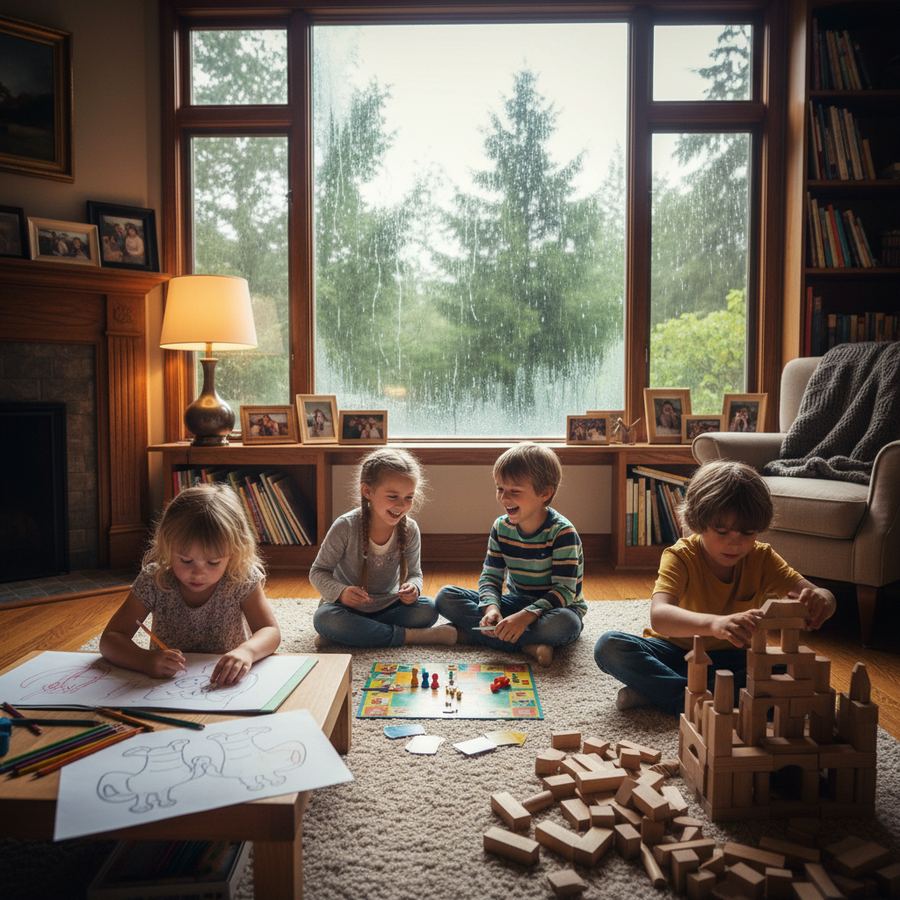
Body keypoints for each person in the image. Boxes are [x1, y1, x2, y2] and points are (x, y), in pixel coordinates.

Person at [594, 460, 836, 715]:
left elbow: (822, 595)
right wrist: (714, 625)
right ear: (699, 523)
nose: (736, 544)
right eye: (722, 532)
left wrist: (822, 601)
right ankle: (700, 700)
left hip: (732, 660)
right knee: (610, 646)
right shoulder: (680, 556)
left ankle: (662, 693)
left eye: (747, 533)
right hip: (676, 653)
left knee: (798, 671)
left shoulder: (762, 557)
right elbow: (660, 617)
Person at [99, 484, 281, 686]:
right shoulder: (154, 579)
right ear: (167, 546)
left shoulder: (241, 578)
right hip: (163, 686)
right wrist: (145, 660)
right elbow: (110, 639)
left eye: (213, 562)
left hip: (224, 683)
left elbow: (270, 631)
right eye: (186, 560)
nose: (198, 573)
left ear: (235, 552)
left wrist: (247, 651)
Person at [436, 442, 586, 667]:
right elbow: (490, 577)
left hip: (556, 609)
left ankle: (474, 636)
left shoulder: (562, 532)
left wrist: (526, 616)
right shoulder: (501, 527)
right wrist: (492, 608)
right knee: (445, 596)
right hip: (515, 603)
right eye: (499, 488)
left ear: (544, 493)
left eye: (514, 491)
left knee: (565, 625)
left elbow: (565, 591)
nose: (504, 498)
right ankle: (528, 645)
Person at [311, 447, 455, 649]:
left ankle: (352, 634)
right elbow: (318, 572)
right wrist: (342, 592)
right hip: (347, 608)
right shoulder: (346, 526)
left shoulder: (410, 529)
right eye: (393, 496)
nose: (401, 505)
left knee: (428, 609)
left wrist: (414, 588)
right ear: (367, 491)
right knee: (325, 619)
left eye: (409, 497)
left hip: (389, 604)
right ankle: (412, 637)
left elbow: (415, 573)